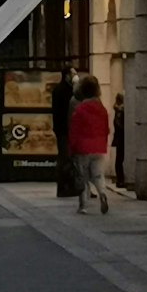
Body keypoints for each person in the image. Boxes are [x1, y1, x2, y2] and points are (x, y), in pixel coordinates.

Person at [68, 75, 109, 215]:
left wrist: (71, 149)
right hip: (99, 146)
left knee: (83, 177)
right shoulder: (102, 109)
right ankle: (102, 193)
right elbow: (106, 129)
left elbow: (74, 131)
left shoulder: (79, 110)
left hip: (83, 148)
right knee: (98, 175)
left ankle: (83, 206)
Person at [51, 67, 76, 198]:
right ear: (67, 76)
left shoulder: (58, 90)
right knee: (65, 158)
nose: (75, 76)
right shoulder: (66, 91)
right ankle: (65, 187)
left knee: (64, 157)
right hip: (65, 130)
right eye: (73, 73)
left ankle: (65, 186)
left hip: (61, 129)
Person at [113, 93, 126, 188]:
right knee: (120, 159)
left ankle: (120, 178)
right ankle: (120, 179)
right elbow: (119, 125)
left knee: (119, 159)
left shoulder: (118, 110)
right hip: (121, 137)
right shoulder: (121, 111)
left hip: (119, 137)